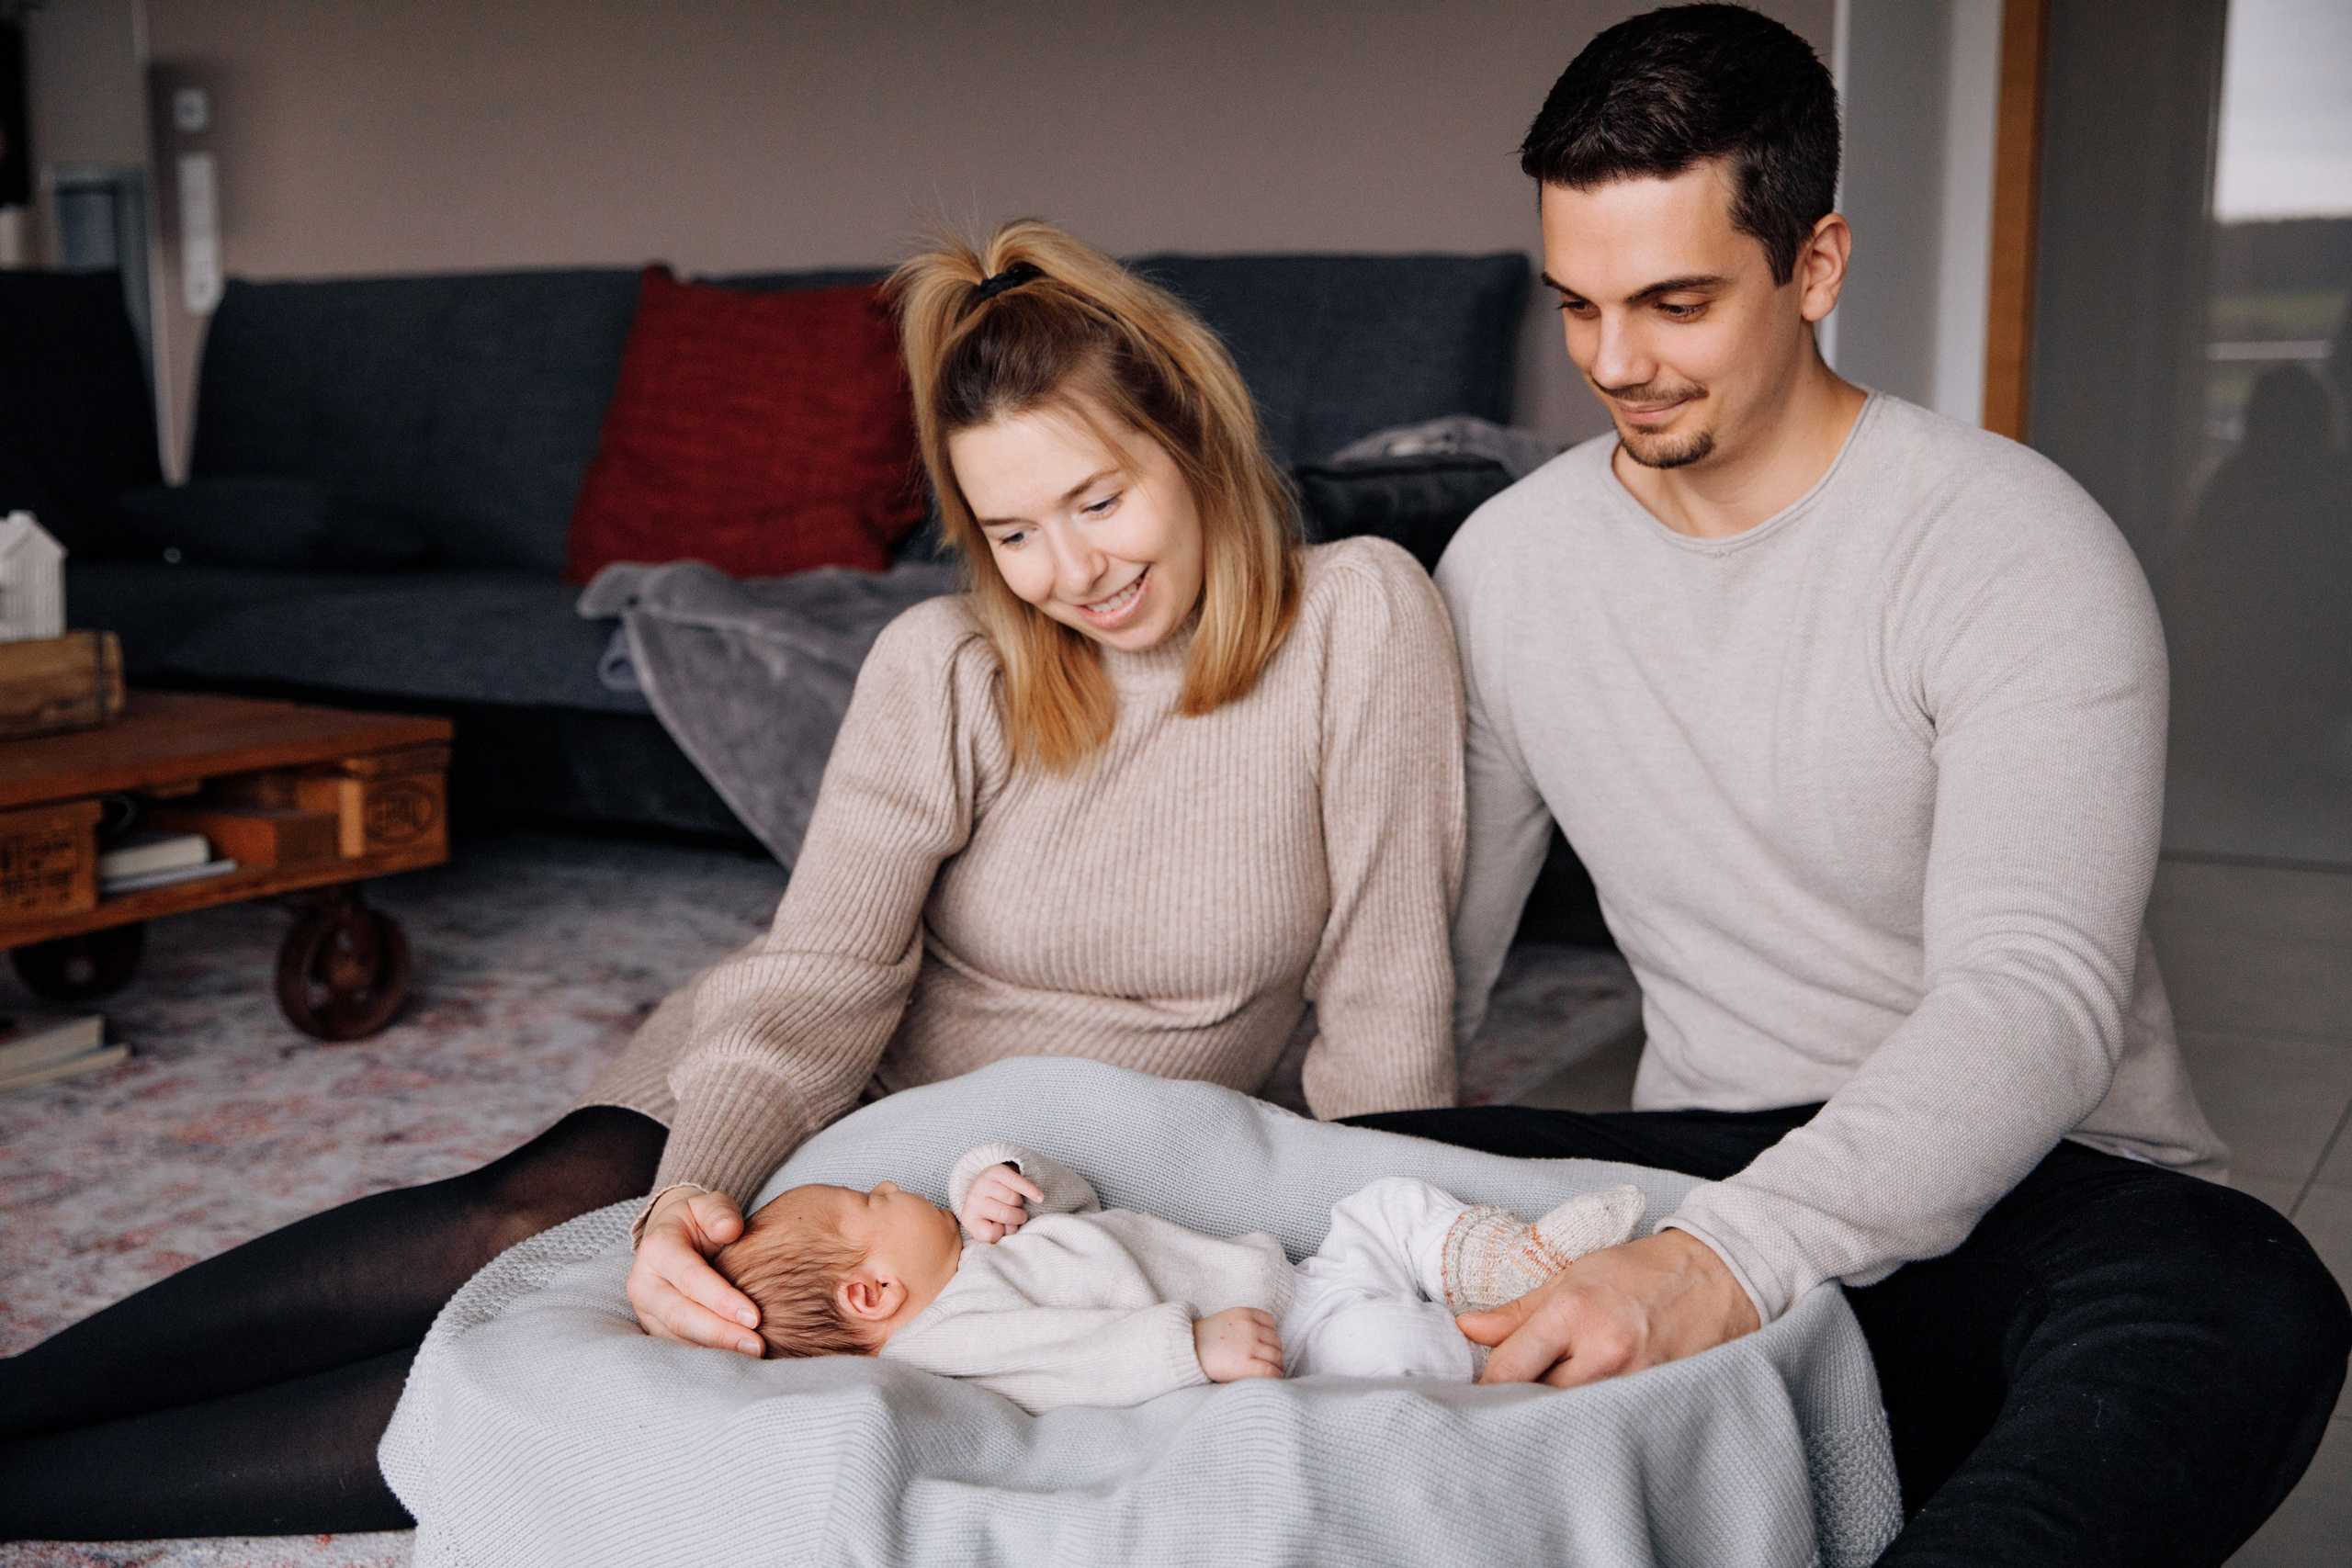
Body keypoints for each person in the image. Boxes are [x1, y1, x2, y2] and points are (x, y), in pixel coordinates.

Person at [0, 221, 1466, 1540]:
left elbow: (1389, 992)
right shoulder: (945, 661)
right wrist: (689, 1196)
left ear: (1196, 440)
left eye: (1098, 500)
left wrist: (1413, 1256)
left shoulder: (1357, 617)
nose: (1069, 570)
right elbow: (822, 975)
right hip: (832, 1079)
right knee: (532, 1226)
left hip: (1027, 1180)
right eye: (1011, 531)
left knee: (576, 1385)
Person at [1345, 8, 2352, 1566]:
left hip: (2041, 1188)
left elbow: (2037, 995)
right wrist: (1314, 1174)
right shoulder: (1510, 566)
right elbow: (1431, 956)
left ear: (1815, 266)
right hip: (1701, 1155)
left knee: (2247, 1301)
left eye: (1675, 303)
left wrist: (1721, 1265)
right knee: (1293, 1180)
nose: (1617, 362)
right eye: (1579, 305)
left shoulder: (2012, 547)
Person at [712, 1141, 1644, 1410]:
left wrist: (991, 1178)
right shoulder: (952, 1331)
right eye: (874, 1200)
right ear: (873, 1294)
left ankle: (1513, 1267)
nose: (890, 1180)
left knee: (1388, 1200)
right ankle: (1518, 1366)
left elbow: (1074, 1204)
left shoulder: (978, 1244)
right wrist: (1188, 1347)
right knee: (1387, 1346)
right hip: (1288, 1347)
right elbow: (1063, 1361)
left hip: (1297, 1277)